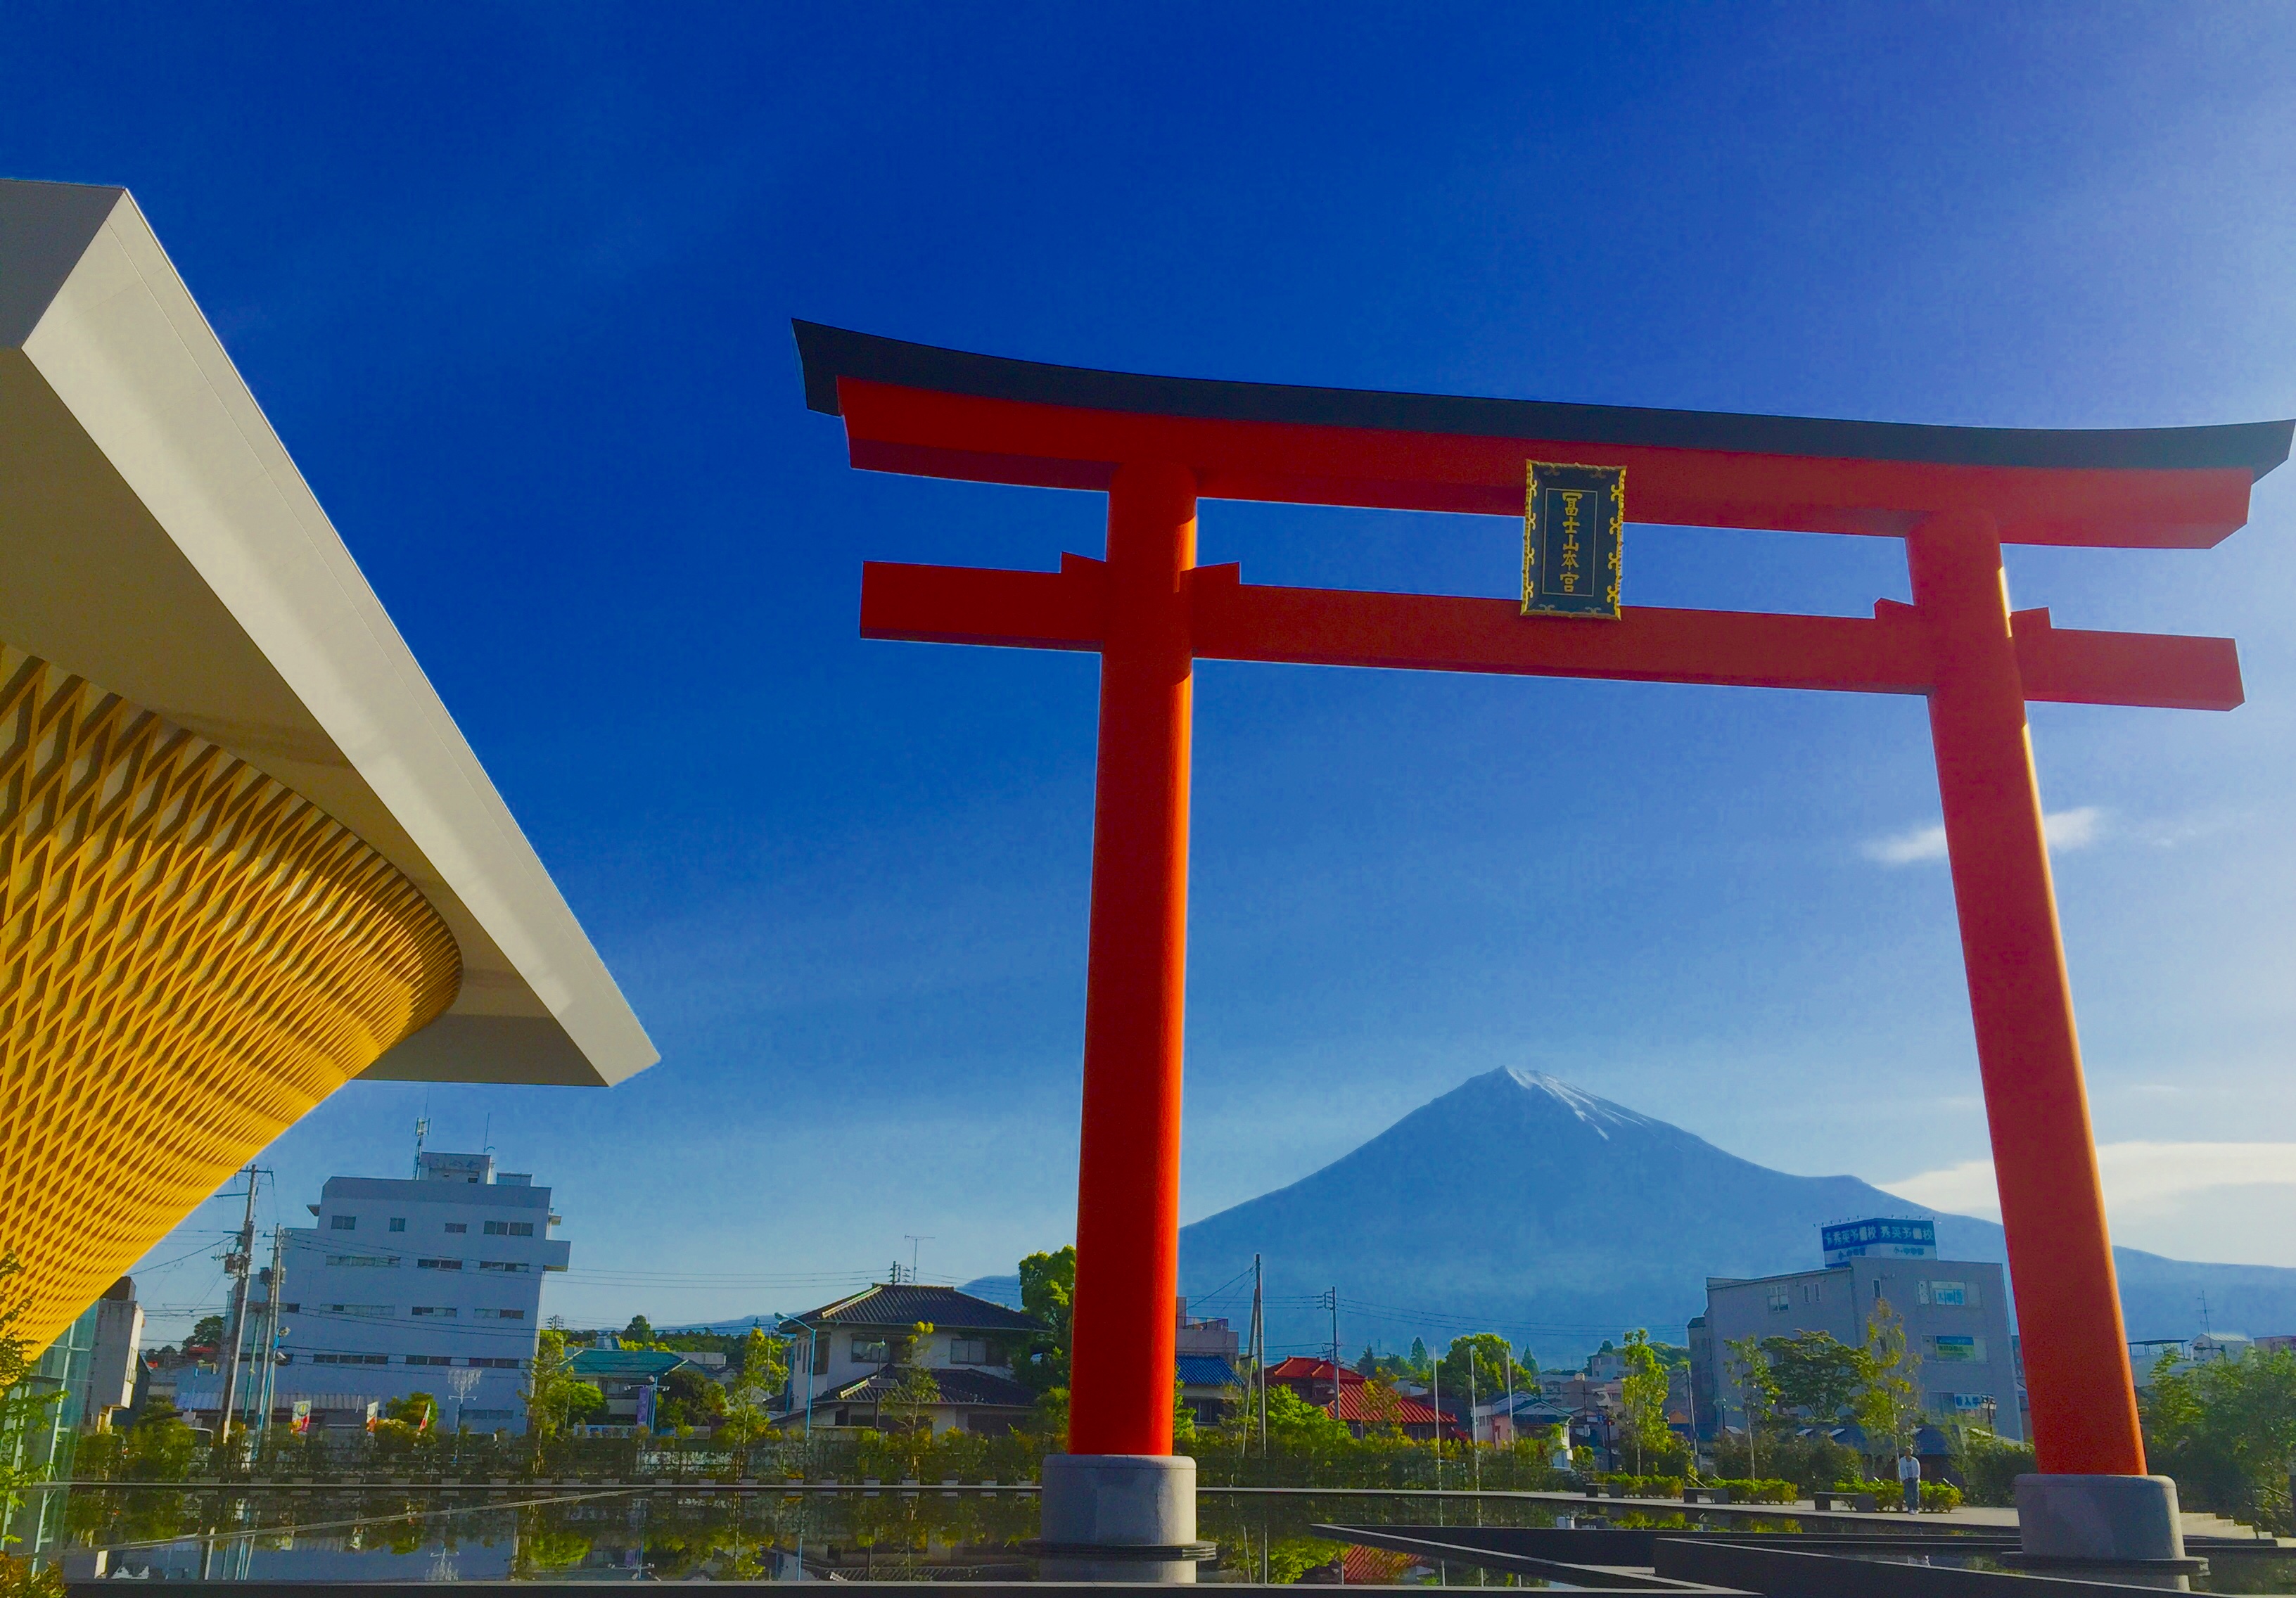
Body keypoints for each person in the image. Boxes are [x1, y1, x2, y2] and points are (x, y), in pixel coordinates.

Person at [1896, 1447, 1922, 1512]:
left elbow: (1917, 1470)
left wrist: (1916, 1477)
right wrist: (1904, 1479)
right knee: (1908, 1494)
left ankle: (1916, 1508)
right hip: (1906, 1480)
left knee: (1915, 1494)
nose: (1906, 1453)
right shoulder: (1902, 1460)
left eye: (1907, 1451)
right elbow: (1901, 1470)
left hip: (1914, 1479)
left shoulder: (1915, 1461)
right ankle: (1910, 1508)